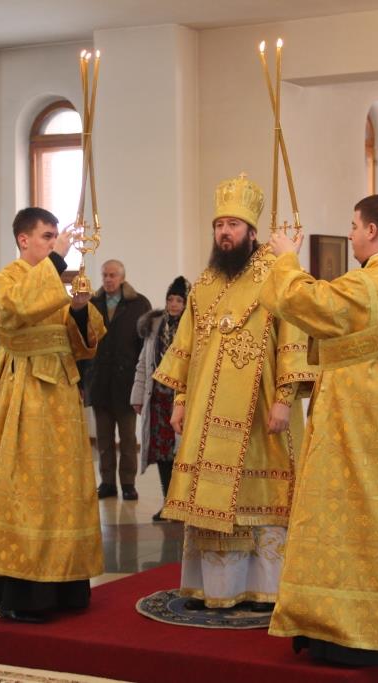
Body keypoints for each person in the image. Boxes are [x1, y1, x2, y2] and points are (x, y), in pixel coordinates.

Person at [261, 194, 378, 666]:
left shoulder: (376, 280)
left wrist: (287, 260)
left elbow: (314, 305)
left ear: (373, 231)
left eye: (354, 226)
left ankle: (343, 630)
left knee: (342, 520)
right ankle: (369, 622)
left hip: (357, 423)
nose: (351, 234)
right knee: (374, 524)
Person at [153, 173, 316, 611]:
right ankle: (215, 587)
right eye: (219, 225)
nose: (225, 233)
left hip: (262, 412)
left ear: (251, 232)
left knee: (260, 501)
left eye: (233, 225)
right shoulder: (205, 283)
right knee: (209, 500)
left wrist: (284, 399)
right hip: (205, 415)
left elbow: (293, 338)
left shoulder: (277, 274)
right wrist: (180, 402)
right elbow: (185, 347)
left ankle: (266, 588)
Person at [0, 207, 106, 623]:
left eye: (55, 237)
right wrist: (57, 261)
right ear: (23, 239)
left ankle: (66, 586)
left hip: (62, 399)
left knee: (65, 491)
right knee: (27, 490)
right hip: (27, 396)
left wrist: (81, 309)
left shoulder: (55, 284)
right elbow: (14, 311)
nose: (53, 243)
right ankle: (24, 591)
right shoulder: (7, 280)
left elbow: (85, 344)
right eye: (47, 236)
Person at [88, 260, 151, 500]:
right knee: (103, 439)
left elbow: (146, 345)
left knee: (127, 439)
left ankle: (127, 483)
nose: (108, 279)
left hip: (127, 383)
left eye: (112, 275)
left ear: (122, 277)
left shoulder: (139, 303)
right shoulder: (92, 303)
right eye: (104, 275)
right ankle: (107, 483)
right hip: (100, 381)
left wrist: (144, 382)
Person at [131, 275, 190, 522]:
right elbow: (143, 363)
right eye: (170, 299)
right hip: (157, 399)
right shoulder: (155, 327)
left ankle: (183, 504)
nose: (174, 304)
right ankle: (168, 502)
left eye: (179, 300)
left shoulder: (192, 328)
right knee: (163, 454)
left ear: (186, 303)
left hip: (182, 400)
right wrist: (137, 395)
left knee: (181, 454)